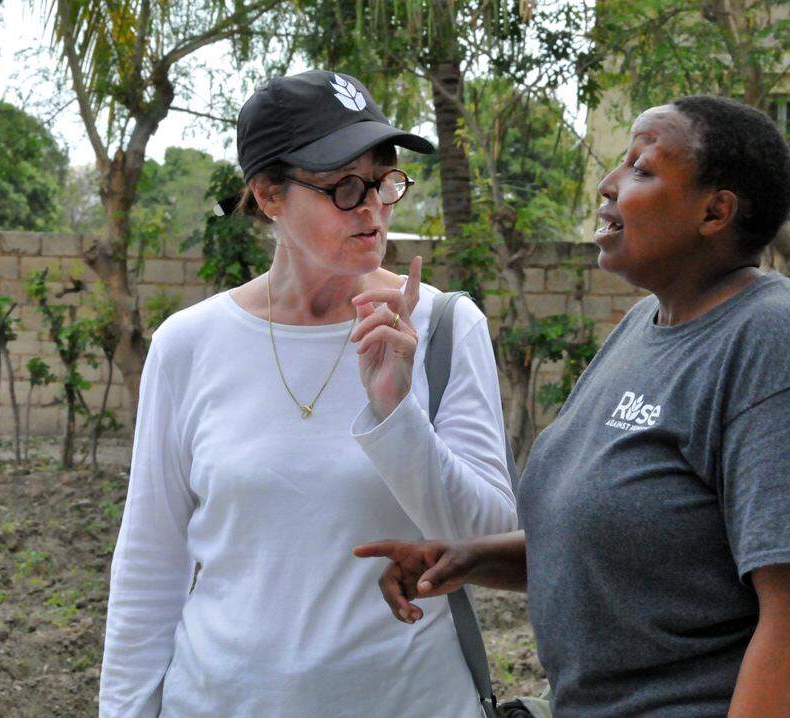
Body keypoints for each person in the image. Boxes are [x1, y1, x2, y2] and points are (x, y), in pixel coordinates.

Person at [355, 95, 790, 717]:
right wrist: (474, 556)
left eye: (642, 170)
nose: (607, 185)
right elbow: (648, 544)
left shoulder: (785, 352)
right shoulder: (643, 330)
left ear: (716, 211)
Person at [98, 70, 517, 717]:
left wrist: (395, 414)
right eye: (346, 187)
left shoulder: (441, 327)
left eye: (385, 181)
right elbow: (150, 570)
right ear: (268, 195)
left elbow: (487, 539)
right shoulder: (189, 344)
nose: (375, 208)